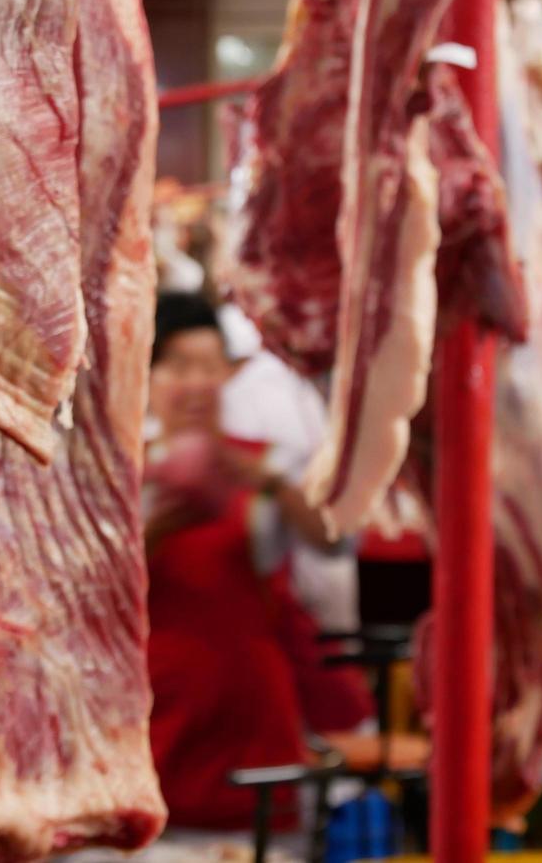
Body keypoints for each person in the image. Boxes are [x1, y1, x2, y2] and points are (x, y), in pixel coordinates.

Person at [143, 293, 367, 848]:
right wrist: (157, 530)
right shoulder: (123, 469)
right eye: (178, 365)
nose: (196, 382)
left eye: (210, 365)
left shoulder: (266, 463)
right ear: (147, 375)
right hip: (152, 729)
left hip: (250, 732)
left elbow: (334, 540)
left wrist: (272, 484)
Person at [218, 304, 360, 633]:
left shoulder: (282, 390)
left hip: (296, 605)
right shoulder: (261, 391)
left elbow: (334, 533)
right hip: (276, 608)